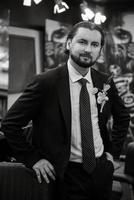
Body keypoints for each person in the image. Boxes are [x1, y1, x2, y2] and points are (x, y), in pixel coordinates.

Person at [1, 21, 130, 200]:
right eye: (82, 42)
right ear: (69, 44)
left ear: (100, 51)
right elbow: (10, 124)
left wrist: (112, 152)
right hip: (65, 174)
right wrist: (33, 159)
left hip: (101, 170)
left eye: (95, 44)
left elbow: (122, 117)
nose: (88, 49)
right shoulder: (46, 82)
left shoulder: (104, 81)